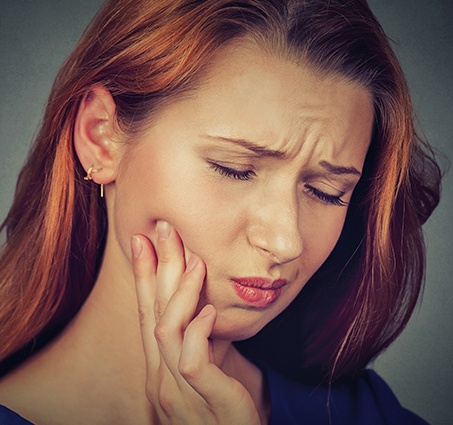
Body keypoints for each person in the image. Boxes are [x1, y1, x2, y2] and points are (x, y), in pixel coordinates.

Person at [0, 0, 442, 424]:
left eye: (327, 192)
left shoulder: (369, 416)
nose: (287, 241)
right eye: (235, 170)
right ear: (100, 137)